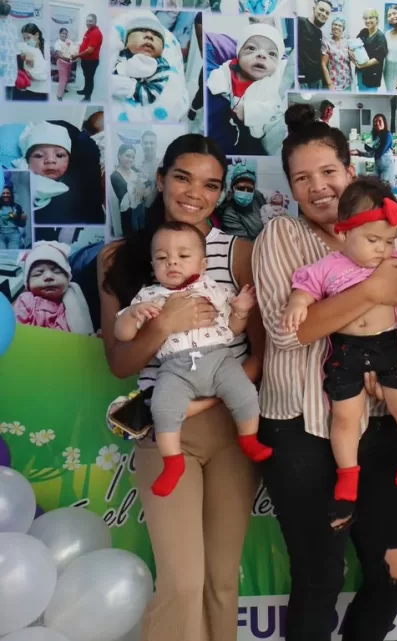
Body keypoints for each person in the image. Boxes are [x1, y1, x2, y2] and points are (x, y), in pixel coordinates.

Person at [252, 105, 397, 641]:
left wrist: (389, 358)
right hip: (301, 429)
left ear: (351, 172)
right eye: (302, 178)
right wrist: (371, 292)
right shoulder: (281, 237)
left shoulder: (388, 235)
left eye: (328, 172)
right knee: (321, 575)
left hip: (376, 425)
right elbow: (288, 332)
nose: (318, 187)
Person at [98, 134, 263, 641]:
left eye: (211, 184)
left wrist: (212, 400)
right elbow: (120, 363)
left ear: (222, 193)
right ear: (162, 179)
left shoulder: (240, 254)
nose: (196, 193)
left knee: (220, 584)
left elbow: (260, 357)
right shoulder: (121, 259)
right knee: (184, 583)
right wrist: (163, 323)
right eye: (183, 178)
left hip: (231, 426)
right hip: (165, 428)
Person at [281, 177, 397, 528]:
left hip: (389, 342)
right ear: (344, 232)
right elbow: (305, 287)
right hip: (347, 350)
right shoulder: (329, 266)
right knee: (345, 418)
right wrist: (297, 304)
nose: (383, 249)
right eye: (373, 240)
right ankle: (347, 473)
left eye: (390, 240)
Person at [115, 222, 270, 496]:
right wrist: (132, 315)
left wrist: (242, 311)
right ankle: (172, 462)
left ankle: (248, 438)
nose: (172, 262)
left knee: (244, 393)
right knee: (163, 408)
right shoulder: (149, 296)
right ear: (153, 265)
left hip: (219, 359)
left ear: (203, 263)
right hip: (174, 369)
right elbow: (124, 335)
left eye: (183, 256)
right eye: (162, 258)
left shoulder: (214, 290)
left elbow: (232, 330)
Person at [206, 22, 287, 156]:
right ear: (238, 54)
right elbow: (214, 82)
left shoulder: (272, 82)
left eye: (271, 53)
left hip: (253, 135)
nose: (262, 55)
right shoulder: (227, 71)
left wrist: (249, 111)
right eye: (251, 48)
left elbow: (274, 107)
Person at [111, 11, 191, 123]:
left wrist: (128, 87)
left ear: (162, 49)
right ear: (127, 42)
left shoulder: (161, 67)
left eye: (156, 36)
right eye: (142, 31)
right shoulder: (122, 56)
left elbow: (151, 94)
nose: (149, 36)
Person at [15, 240, 94, 333]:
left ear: (68, 278)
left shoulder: (72, 301)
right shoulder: (25, 300)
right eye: (38, 274)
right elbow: (16, 328)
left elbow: (78, 332)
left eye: (56, 272)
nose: (48, 277)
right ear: (28, 283)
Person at [215, 160, 266, 240]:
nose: (245, 192)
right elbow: (244, 244)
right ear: (233, 189)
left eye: (249, 189)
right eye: (241, 188)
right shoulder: (229, 215)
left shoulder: (257, 197)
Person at [298, 0, 332, 88]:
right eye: (321, 10)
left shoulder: (319, 33)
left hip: (317, 80)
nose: (324, 14)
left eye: (327, 13)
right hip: (302, 82)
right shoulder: (300, 22)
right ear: (314, 8)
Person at [354, 9, 388, 92]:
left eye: (371, 18)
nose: (368, 20)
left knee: (369, 98)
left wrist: (361, 65)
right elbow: (355, 44)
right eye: (365, 18)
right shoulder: (363, 32)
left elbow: (378, 58)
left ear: (376, 19)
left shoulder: (380, 37)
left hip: (372, 74)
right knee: (361, 93)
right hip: (361, 72)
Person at [15, 24, 49, 101]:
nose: (26, 41)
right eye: (24, 38)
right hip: (28, 88)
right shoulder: (25, 48)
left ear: (36, 35)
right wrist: (22, 59)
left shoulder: (45, 48)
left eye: (28, 38)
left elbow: (43, 73)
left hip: (41, 90)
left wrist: (30, 66)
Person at [73, 13, 103, 102]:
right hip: (85, 60)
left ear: (95, 22)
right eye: (87, 21)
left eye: (90, 21)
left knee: (89, 79)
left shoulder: (96, 33)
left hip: (91, 61)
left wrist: (77, 55)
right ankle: (85, 91)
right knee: (86, 77)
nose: (88, 23)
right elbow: (85, 45)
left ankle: (87, 97)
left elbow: (90, 50)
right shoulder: (89, 31)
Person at [322, 16, 353, 92]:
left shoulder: (347, 42)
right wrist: (329, 84)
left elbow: (351, 61)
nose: (336, 27)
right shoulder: (327, 43)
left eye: (340, 26)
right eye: (335, 24)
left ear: (343, 29)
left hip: (347, 82)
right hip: (334, 84)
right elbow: (323, 64)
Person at [365, 114, 395, 183]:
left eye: (379, 121)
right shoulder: (375, 135)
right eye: (375, 121)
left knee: (384, 189)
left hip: (387, 167)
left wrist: (361, 153)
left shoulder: (387, 135)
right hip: (377, 165)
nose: (377, 123)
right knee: (375, 187)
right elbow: (370, 149)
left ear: (384, 122)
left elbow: (379, 152)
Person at [0, 183, 27, 250]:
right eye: (3, 193)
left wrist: (23, 219)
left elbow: (22, 225)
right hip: (0, 234)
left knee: (13, 255)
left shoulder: (17, 207)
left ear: (11, 195)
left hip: (14, 235)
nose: (5, 195)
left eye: (7, 193)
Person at [0, 0, 17, 100]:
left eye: (7, 1)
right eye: (1, 1)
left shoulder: (13, 26)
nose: (4, 4)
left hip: (10, 79)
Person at [53, 27, 77, 101]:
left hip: (69, 63)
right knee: (63, 79)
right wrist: (69, 58)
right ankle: (59, 95)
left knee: (67, 77)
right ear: (60, 34)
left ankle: (64, 89)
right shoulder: (57, 43)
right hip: (62, 63)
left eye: (66, 34)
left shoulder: (68, 41)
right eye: (63, 33)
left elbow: (73, 49)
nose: (64, 35)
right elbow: (59, 55)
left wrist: (74, 55)